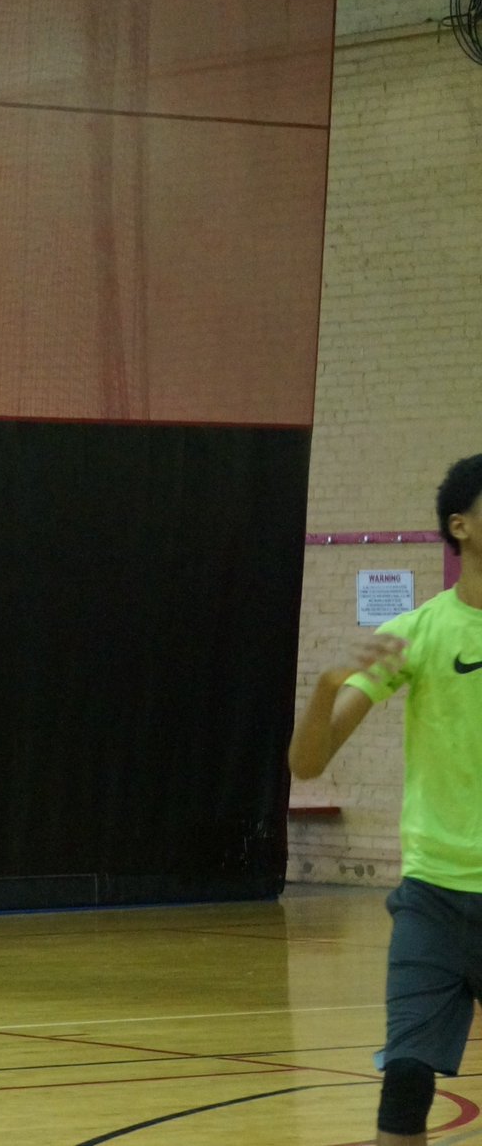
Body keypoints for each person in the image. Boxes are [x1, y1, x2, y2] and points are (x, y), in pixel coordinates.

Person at [289, 453, 482, 1146]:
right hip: (433, 898)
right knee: (404, 1085)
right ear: (460, 526)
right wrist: (324, 688)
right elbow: (308, 762)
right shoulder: (416, 632)